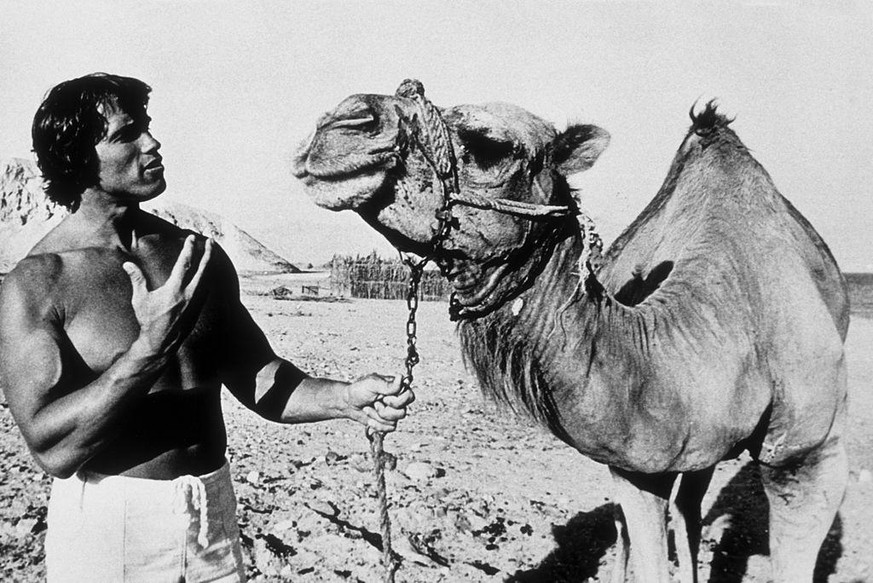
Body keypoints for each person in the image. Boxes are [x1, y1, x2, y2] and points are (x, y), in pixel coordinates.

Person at [0, 72, 414, 582]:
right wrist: (147, 351)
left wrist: (344, 399)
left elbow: (257, 376)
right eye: (127, 134)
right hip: (112, 529)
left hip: (212, 519)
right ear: (78, 156)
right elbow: (50, 449)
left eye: (147, 126)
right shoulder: (38, 282)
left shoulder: (195, 255)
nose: (153, 142)